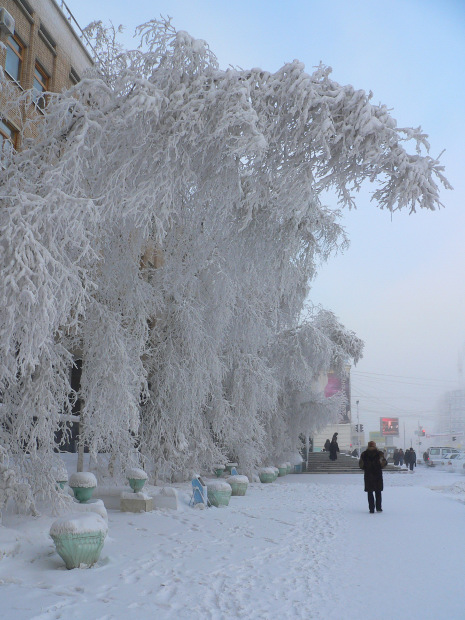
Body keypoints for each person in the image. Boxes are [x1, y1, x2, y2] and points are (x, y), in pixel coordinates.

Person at [359, 440, 387, 513]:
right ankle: (378, 508)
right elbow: (383, 463)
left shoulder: (364, 454)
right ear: (375, 446)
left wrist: (367, 467)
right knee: (378, 492)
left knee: (370, 492)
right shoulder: (379, 454)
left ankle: (371, 508)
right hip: (377, 475)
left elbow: (361, 465)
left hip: (368, 475)